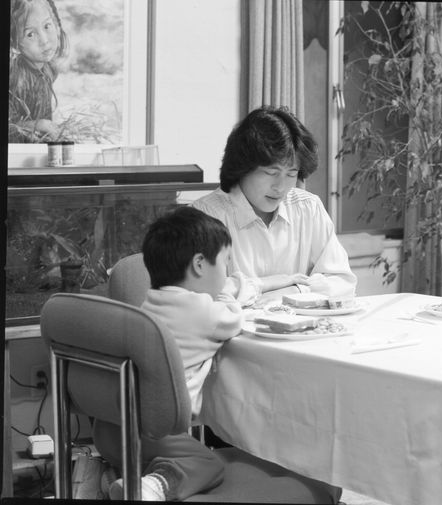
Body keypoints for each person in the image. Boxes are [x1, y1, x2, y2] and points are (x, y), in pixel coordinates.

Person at [102, 205, 243, 501]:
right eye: (226, 263)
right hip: (153, 434)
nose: (227, 272)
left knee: (171, 453)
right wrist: (229, 290)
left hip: (110, 429)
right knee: (208, 462)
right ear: (200, 264)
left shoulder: (148, 303)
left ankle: (109, 477)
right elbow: (233, 317)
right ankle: (154, 487)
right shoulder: (203, 310)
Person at [193, 105, 357, 307]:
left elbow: (343, 282)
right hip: (233, 336)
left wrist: (295, 291)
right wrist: (263, 288)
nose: (280, 187)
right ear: (242, 167)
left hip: (301, 334)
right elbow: (201, 296)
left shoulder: (308, 208)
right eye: (271, 173)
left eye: (291, 174)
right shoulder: (205, 217)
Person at [9, 0, 68, 142]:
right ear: (15, 44)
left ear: (56, 26)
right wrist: (40, 125)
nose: (44, 40)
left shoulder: (48, 70)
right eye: (30, 34)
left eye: (47, 26)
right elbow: (9, 127)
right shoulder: (16, 77)